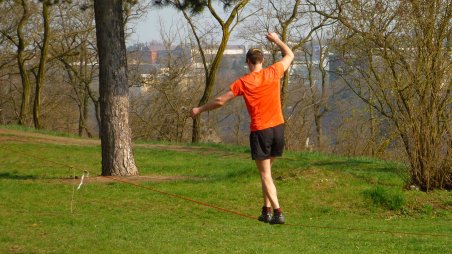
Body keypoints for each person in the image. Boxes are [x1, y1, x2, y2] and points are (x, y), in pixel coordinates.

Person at [190, 32, 294, 224]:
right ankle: (266, 211)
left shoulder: (244, 82)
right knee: (267, 174)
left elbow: (221, 101)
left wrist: (200, 109)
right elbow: (290, 54)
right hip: (278, 128)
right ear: (262, 60)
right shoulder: (273, 72)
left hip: (261, 130)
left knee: (265, 175)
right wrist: (276, 39)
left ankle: (278, 213)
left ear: (248, 62)